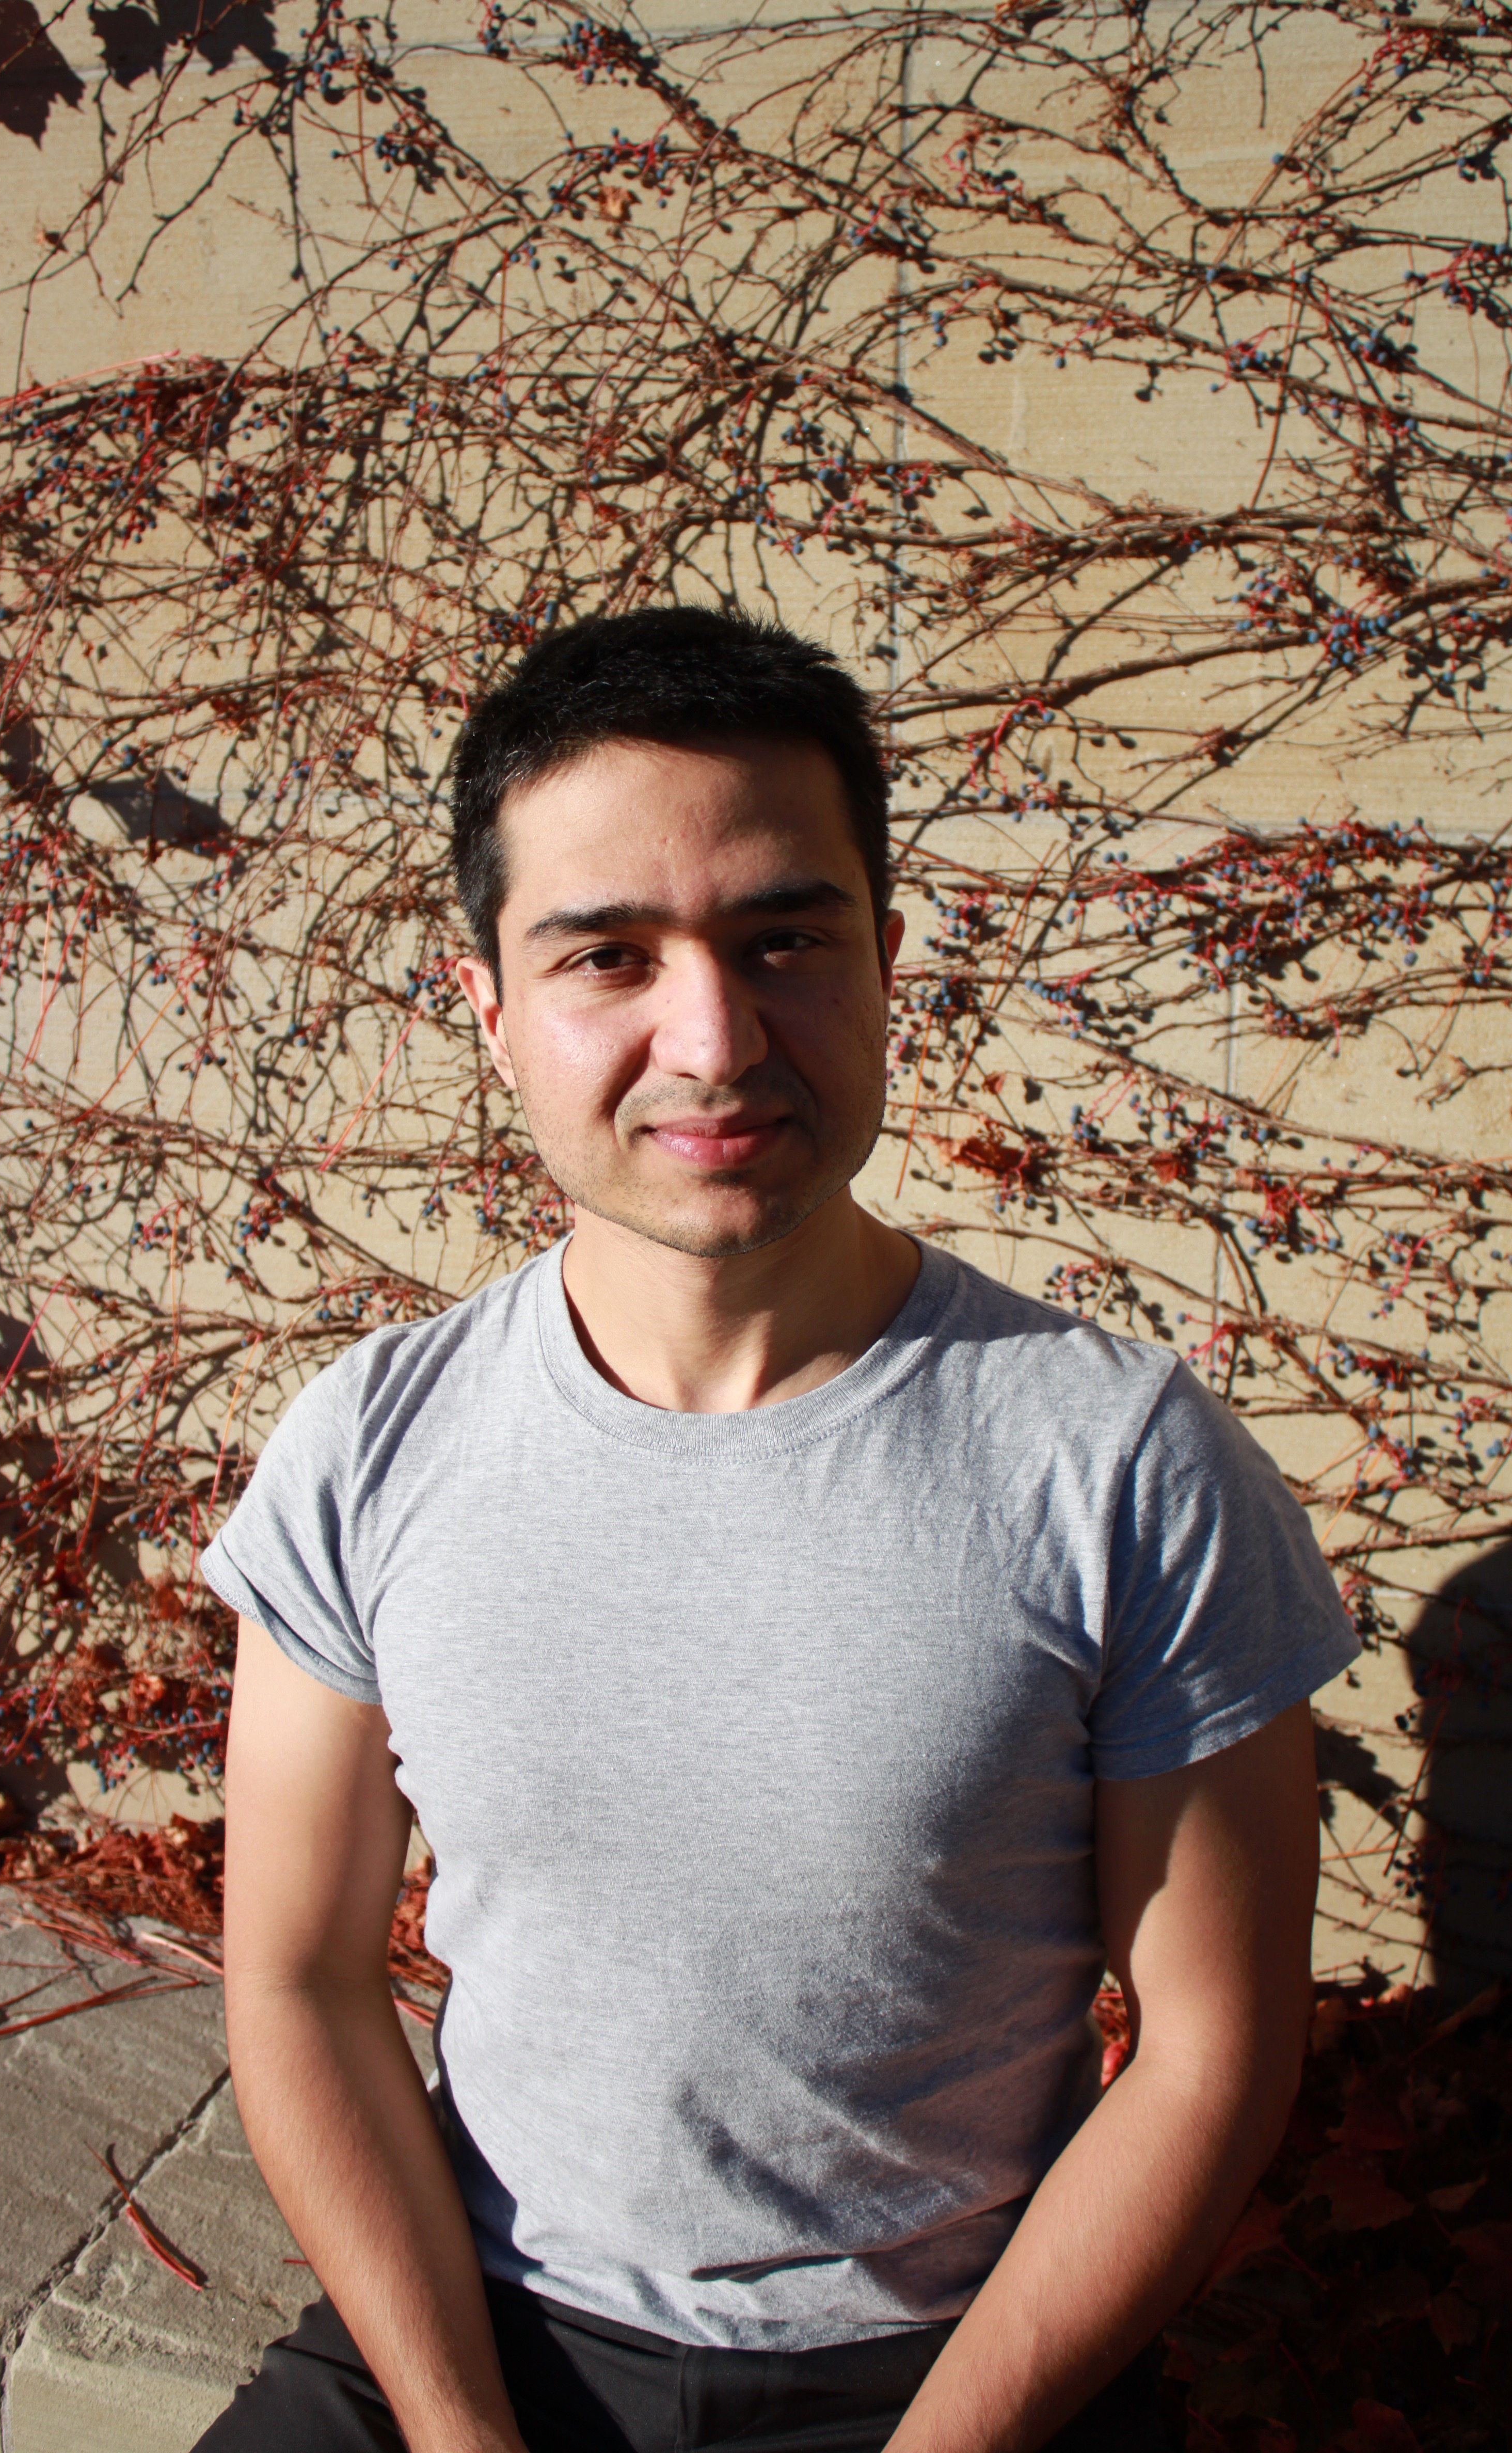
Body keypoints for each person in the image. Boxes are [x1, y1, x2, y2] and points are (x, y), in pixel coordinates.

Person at [196, 607, 1356, 2453]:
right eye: (609, 957)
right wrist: (457, 2429)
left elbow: (1215, 2045)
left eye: (784, 939)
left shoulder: (1119, 1462)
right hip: (486, 2342)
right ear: (490, 1005)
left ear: (889, 965)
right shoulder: (368, 1449)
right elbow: (302, 1973)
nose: (713, 1039)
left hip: (958, 2369)